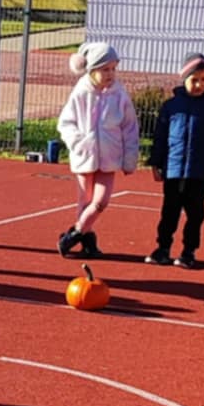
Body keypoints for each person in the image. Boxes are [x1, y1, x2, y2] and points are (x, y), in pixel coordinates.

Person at [55, 41, 139, 257]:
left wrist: (129, 157)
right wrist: (78, 142)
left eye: (113, 68)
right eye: (105, 69)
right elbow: (66, 123)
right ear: (92, 70)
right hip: (85, 157)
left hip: (109, 158)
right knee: (85, 202)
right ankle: (89, 243)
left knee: (101, 202)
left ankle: (74, 234)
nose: (110, 74)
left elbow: (130, 127)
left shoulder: (120, 95)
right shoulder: (81, 93)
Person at [148, 53, 204, 268]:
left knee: (196, 214)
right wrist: (156, 163)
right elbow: (160, 137)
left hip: (199, 173)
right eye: (194, 79)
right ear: (184, 78)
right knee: (169, 212)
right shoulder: (171, 106)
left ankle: (188, 251)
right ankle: (163, 248)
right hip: (173, 170)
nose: (199, 84)